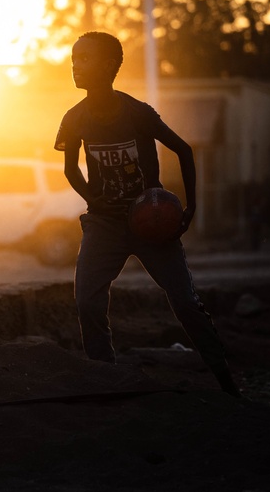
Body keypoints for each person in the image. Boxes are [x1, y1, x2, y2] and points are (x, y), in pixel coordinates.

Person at [55, 31, 241, 396]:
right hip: (104, 223)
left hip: (150, 221)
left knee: (185, 302)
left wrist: (191, 209)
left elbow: (184, 150)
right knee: (87, 300)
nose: (75, 66)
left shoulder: (136, 113)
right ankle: (104, 380)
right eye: (74, 59)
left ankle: (227, 383)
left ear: (109, 65)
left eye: (84, 59)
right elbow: (71, 169)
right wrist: (94, 197)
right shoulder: (74, 118)